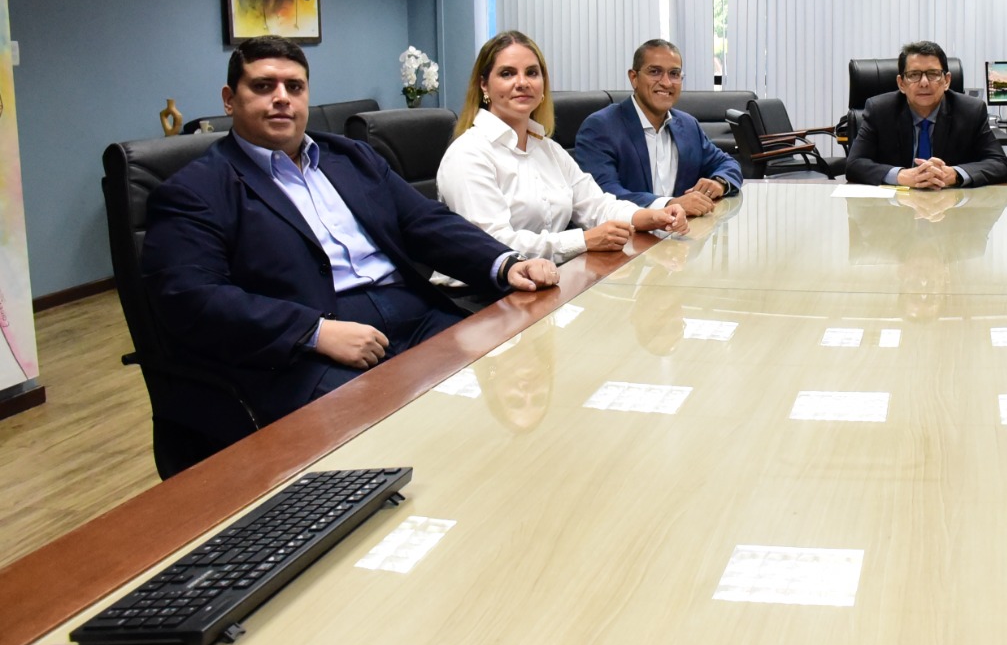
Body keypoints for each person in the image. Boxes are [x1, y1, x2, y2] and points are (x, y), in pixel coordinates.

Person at [142, 35, 559, 440]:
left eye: (295, 86)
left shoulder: (348, 157)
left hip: (414, 314)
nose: (282, 97)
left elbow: (425, 222)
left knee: (498, 384)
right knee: (384, 435)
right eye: (264, 86)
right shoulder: (195, 190)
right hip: (311, 342)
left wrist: (505, 262)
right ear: (229, 100)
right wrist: (315, 332)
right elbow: (191, 296)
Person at [437, 31, 688, 267]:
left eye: (532, 73)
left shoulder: (548, 149)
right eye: (507, 74)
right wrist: (584, 240)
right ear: (484, 85)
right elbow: (493, 244)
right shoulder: (468, 153)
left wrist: (651, 216)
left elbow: (596, 205)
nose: (522, 82)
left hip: (550, 281)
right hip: (484, 296)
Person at [572, 39, 742, 217]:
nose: (667, 83)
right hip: (629, 237)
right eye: (655, 72)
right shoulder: (601, 127)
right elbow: (602, 195)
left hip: (683, 236)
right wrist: (669, 204)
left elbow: (728, 164)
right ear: (634, 78)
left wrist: (719, 182)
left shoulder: (688, 125)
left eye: (674, 74)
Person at [845, 41, 1007, 188]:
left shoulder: (971, 111)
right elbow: (854, 164)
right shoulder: (879, 110)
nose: (924, 83)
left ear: (946, 81)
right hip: (895, 211)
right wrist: (901, 176)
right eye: (914, 75)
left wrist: (955, 174)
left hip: (951, 209)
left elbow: (999, 163)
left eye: (933, 74)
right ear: (901, 84)